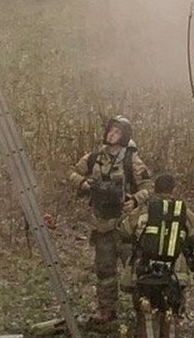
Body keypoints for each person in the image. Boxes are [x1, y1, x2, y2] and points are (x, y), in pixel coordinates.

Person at [68, 114, 153, 325]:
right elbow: (71, 172)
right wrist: (82, 183)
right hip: (101, 224)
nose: (112, 134)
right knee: (104, 270)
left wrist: (134, 200)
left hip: (126, 225)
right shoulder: (94, 157)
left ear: (124, 136)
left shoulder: (131, 160)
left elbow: (148, 186)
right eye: (111, 130)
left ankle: (143, 311)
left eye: (117, 132)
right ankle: (107, 311)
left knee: (135, 270)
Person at [124, 173, 194, 328]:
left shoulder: (144, 210)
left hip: (144, 271)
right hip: (176, 273)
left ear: (155, 190)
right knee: (173, 310)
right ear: (173, 190)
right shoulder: (182, 211)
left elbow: (124, 231)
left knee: (145, 311)